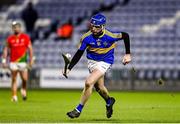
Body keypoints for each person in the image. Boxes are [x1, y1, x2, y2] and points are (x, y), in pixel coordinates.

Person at [63, 13, 131, 118]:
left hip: (105, 61)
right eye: (92, 26)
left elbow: (125, 35)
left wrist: (127, 54)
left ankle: (78, 109)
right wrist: (69, 68)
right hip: (92, 62)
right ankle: (109, 101)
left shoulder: (110, 36)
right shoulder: (86, 37)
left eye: (97, 27)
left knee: (88, 82)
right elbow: (79, 53)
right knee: (99, 87)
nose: (94, 29)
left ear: (103, 26)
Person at [2, 21, 34, 102]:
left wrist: (31, 60)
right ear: (13, 28)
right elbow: (6, 50)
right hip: (13, 62)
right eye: (14, 27)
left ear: (20, 28)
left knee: (25, 79)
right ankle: (14, 96)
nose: (16, 28)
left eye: (17, 27)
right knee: (14, 79)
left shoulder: (25, 37)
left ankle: (23, 89)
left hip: (23, 61)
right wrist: (4, 60)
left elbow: (30, 49)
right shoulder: (10, 39)